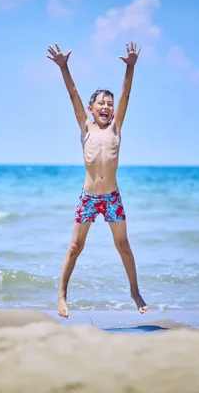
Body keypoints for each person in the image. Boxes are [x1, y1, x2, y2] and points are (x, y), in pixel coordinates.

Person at [46, 41, 148, 318]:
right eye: (100, 103)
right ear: (91, 109)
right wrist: (64, 67)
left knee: (123, 245)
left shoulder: (116, 127)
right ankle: (62, 295)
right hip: (89, 197)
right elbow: (73, 93)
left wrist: (130, 68)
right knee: (75, 246)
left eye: (109, 104)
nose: (106, 107)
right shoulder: (86, 127)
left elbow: (126, 94)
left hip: (112, 196)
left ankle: (135, 291)